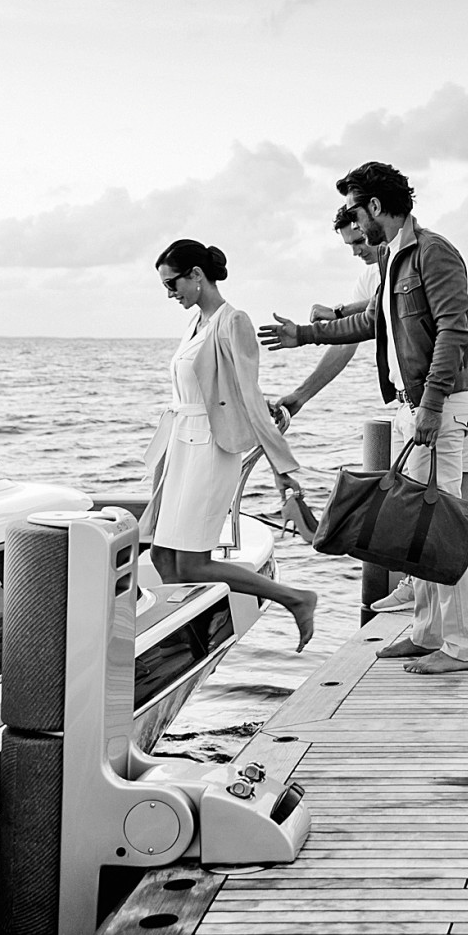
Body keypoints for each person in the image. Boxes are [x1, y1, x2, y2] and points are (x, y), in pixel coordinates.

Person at [259, 162, 468, 675]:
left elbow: (454, 332)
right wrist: (304, 335)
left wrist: (431, 405)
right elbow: (371, 321)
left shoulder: (433, 252)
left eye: (356, 211)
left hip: (438, 407)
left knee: (441, 530)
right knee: (418, 527)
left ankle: (462, 646)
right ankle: (427, 635)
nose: (356, 224)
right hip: (412, 406)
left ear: (375, 206)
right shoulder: (393, 259)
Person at [277, 206, 468, 612]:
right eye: (349, 244)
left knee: (452, 487)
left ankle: (455, 571)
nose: (357, 249)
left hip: (461, 369)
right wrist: (303, 386)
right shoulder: (379, 266)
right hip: (415, 389)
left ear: (372, 218)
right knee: (420, 492)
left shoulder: (424, 252)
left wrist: (431, 405)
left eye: (359, 238)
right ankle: (426, 592)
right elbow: (366, 324)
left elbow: (441, 325)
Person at [147, 239, 318, 652]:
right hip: (180, 446)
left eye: (172, 284)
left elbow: (249, 397)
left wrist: (282, 472)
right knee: (161, 556)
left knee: (192, 562)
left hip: (210, 449)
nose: (169, 294)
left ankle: (295, 599)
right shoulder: (196, 322)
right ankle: (187, 639)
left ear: (196, 275)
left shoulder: (232, 321)